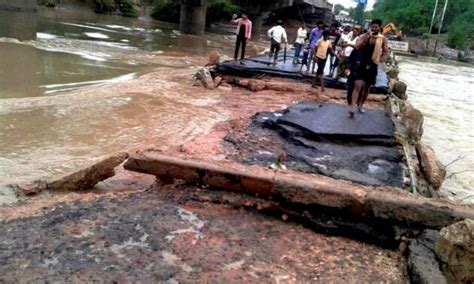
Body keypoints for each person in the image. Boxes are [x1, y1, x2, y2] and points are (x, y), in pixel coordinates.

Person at [346, 19, 389, 118]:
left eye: (376, 27)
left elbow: (386, 51)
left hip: (373, 64)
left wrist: (383, 58)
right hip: (362, 63)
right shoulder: (364, 36)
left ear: (379, 28)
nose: (374, 28)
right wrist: (366, 37)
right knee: (358, 85)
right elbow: (357, 47)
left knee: (366, 88)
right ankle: (353, 107)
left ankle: (360, 105)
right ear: (370, 27)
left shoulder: (383, 39)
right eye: (372, 26)